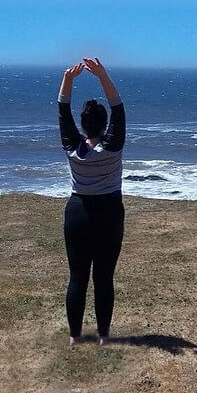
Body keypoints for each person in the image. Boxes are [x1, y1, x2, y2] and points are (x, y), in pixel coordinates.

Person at [57, 57, 126, 347]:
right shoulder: (113, 145)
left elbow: (62, 110)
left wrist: (68, 80)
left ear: (83, 125)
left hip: (78, 213)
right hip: (109, 212)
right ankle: (103, 337)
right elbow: (118, 106)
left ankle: (74, 337)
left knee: (77, 277)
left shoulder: (72, 146)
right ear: (105, 125)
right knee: (104, 278)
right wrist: (102, 75)